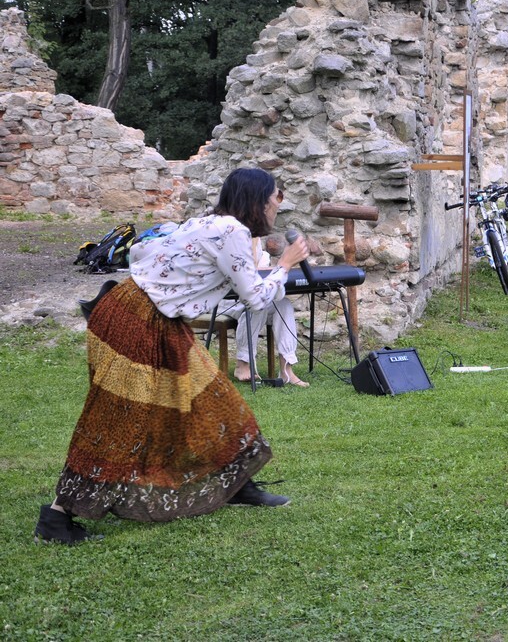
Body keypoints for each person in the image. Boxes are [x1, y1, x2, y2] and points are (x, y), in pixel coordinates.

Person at [33, 168, 310, 545]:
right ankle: (56, 518)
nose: (280, 204)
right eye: (277, 196)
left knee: (213, 396)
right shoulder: (232, 232)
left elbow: (147, 250)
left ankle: (235, 483)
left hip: (149, 315)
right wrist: (285, 265)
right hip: (136, 319)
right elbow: (257, 299)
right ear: (258, 199)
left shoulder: (211, 222)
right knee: (117, 419)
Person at [224, 232, 310, 387]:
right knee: (258, 304)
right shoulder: (231, 234)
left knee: (283, 303)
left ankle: (286, 369)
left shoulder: (255, 240)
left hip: (249, 297)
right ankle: (243, 363)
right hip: (226, 298)